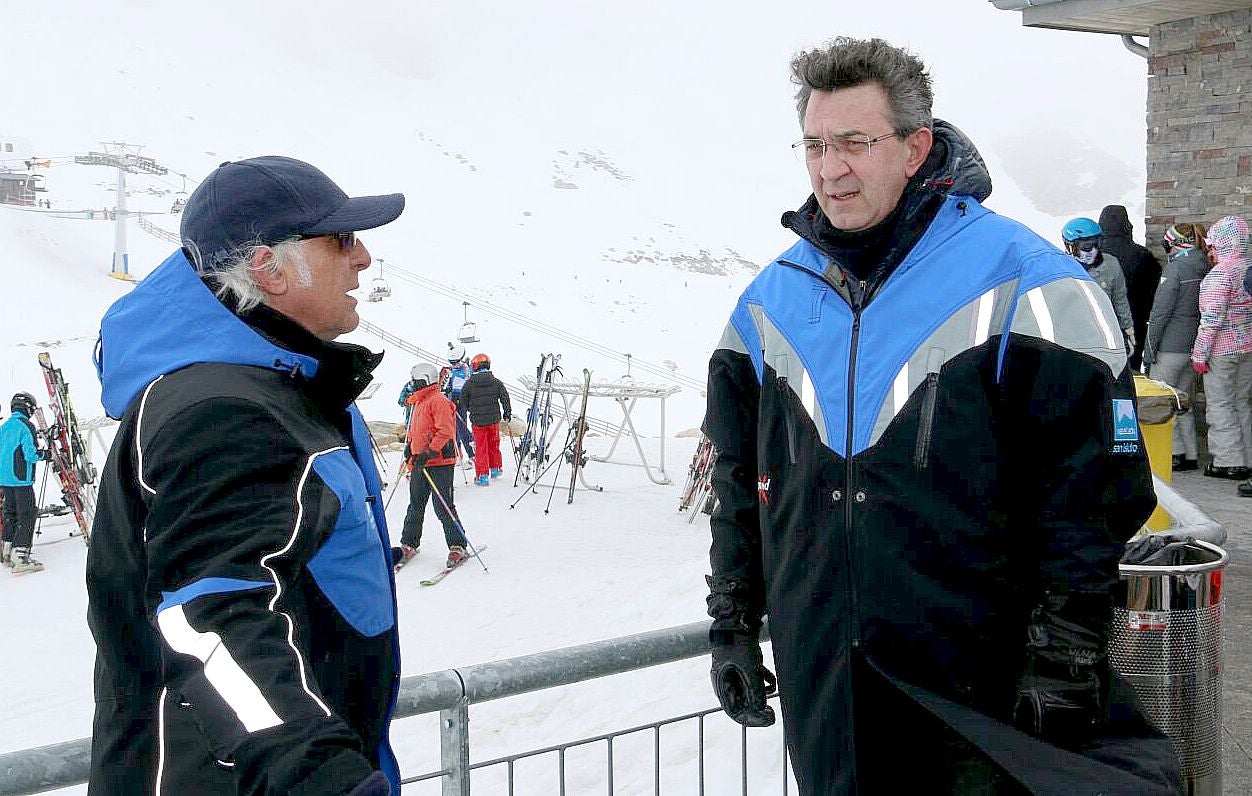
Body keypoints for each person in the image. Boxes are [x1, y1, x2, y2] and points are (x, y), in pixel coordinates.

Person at [703, 37, 1179, 795]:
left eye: (855, 143)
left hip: (980, 697)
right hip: (826, 684)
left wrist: (1066, 653)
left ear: (916, 146)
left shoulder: (1027, 281)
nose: (831, 170)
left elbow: (1094, 492)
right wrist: (732, 621)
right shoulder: (770, 303)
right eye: (816, 145)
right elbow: (736, 480)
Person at [87, 156, 405, 796]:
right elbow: (209, 618)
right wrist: (322, 777)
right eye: (341, 239)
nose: (364, 256)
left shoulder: (280, 388)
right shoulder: (221, 412)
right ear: (269, 269)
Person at [1142, 222, 1210, 472]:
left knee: (1164, 401)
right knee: (1184, 401)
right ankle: (1191, 453)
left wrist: (1149, 351)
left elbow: (1160, 314)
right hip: (1194, 344)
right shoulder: (1206, 266)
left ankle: (1175, 452)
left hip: (1170, 346)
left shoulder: (1176, 270)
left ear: (1177, 244)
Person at [1191, 214, 1252, 484]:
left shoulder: (1220, 275)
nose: (1210, 250)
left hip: (1221, 350)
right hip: (1248, 348)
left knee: (1220, 404)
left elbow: (1211, 319)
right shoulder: (1247, 268)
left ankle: (1228, 461)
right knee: (1242, 403)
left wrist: (1199, 355)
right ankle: (1247, 458)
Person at [401, 362, 469, 568]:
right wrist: (410, 448)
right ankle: (409, 543)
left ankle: (458, 545)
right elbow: (417, 431)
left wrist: (429, 452)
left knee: (442, 506)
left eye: (416, 381)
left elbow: (446, 431)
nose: (412, 384)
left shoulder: (438, 401)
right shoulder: (418, 402)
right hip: (420, 462)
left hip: (439, 462)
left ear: (425, 380)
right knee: (416, 504)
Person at [1101, 205, 1163, 370]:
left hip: (1098, 327)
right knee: (1129, 377)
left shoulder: (1091, 256)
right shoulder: (1142, 256)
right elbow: (1155, 293)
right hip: (1133, 326)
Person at [1062, 217, 1136, 354]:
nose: (1092, 251)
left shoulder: (1110, 264)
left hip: (1104, 332)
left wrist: (1128, 329)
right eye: (1086, 246)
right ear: (1071, 246)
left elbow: (1120, 299)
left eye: (1097, 244)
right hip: (1071, 336)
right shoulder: (1060, 268)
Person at [0, 392, 49, 575]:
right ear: (27, 408)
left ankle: (6, 550)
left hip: (4, 478)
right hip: (20, 478)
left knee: (10, 512)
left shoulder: (4, 427)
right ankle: (20, 556)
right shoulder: (26, 426)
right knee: (27, 513)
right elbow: (30, 454)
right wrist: (45, 454)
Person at [459, 353, 512, 486]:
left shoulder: (469, 383)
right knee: (494, 444)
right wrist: (507, 413)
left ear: (475, 366)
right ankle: (495, 468)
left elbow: (463, 401)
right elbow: (505, 397)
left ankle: (482, 475)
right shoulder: (496, 381)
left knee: (481, 447)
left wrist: (471, 409)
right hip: (494, 420)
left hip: (478, 422)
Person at [443, 343, 476, 466]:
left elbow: (469, 380)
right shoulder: (449, 371)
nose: (454, 365)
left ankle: (473, 454)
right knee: (454, 428)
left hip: (462, 400)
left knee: (461, 427)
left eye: (456, 362)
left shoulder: (466, 370)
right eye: (452, 363)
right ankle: (458, 453)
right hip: (451, 399)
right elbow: (444, 384)